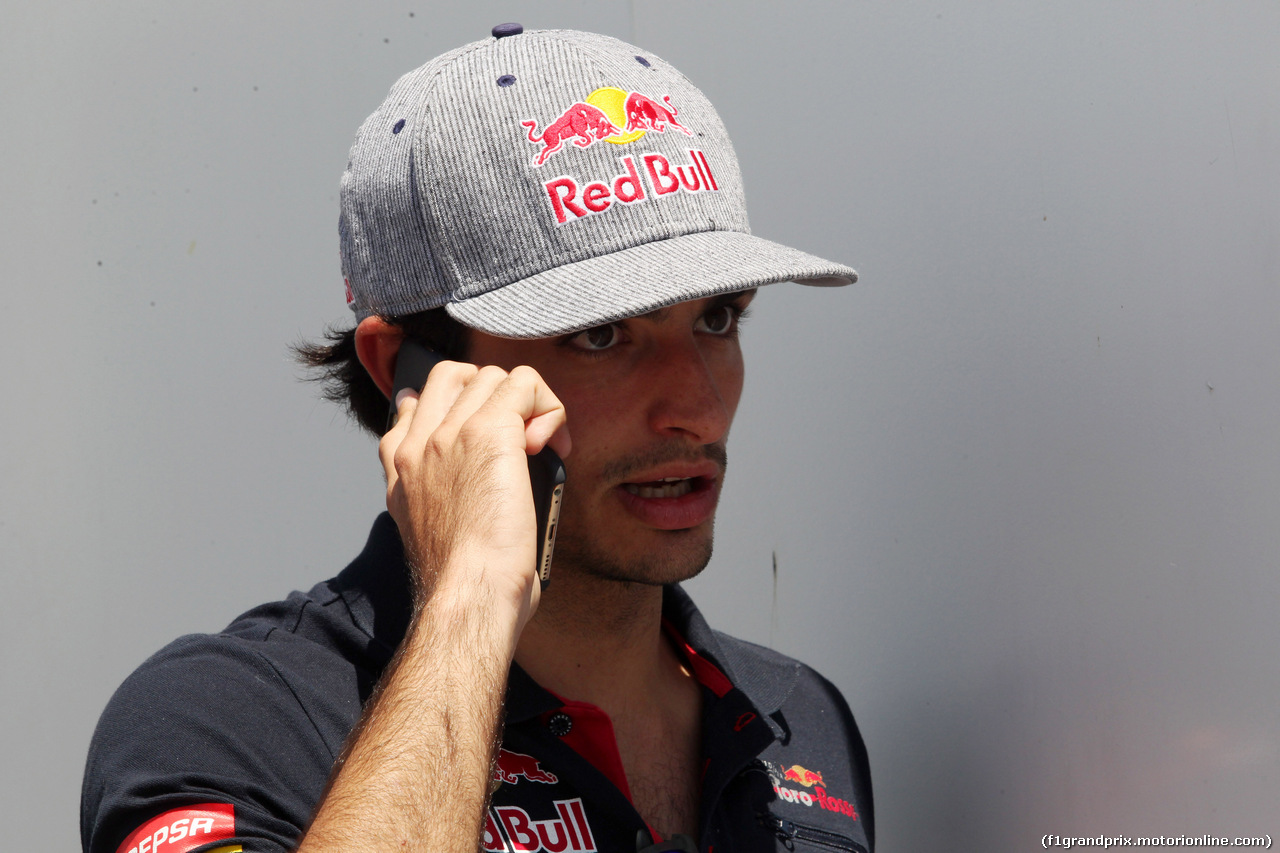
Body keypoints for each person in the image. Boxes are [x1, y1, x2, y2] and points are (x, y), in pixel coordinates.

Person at [81, 25, 874, 853]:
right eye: (600, 335)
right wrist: (470, 601)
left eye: (717, 318)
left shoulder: (801, 719)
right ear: (406, 372)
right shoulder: (229, 716)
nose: (698, 410)